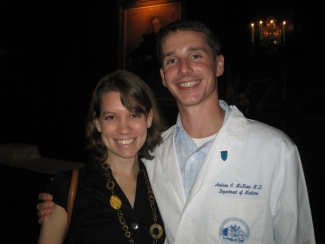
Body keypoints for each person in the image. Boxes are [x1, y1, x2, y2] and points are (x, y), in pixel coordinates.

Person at [37, 20, 315, 243]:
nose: (183, 69)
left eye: (195, 55)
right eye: (171, 60)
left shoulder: (275, 150)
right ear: (162, 76)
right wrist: (60, 205)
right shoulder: (151, 155)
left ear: (219, 64)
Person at [37, 70, 166, 244]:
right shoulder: (67, 187)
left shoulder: (164, 180)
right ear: (98, 123)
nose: (124, 129)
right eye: (111, 117)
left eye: (134, 115)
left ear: (149, 118)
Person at [128, 16, 163, 98]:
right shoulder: (149, 38)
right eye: (153, 25)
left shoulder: (164, 36)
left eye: (156, 24)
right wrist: (131, 56)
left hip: (158, 69)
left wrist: (153, 57)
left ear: (160, 24)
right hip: (148, 69)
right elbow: (140, 49)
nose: (154, 27)